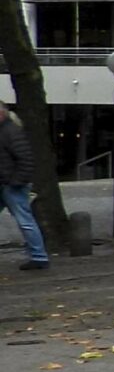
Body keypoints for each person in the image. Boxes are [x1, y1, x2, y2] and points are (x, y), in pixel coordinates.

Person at [0, 100, 47, 272]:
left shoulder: (10, 132)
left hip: (11, 184)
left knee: (25, 221)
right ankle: (38, 255)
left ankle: (39, 256)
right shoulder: (10, 131)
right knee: (25, 220)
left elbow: (25, 159)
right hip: (8, 182)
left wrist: (17, 181)